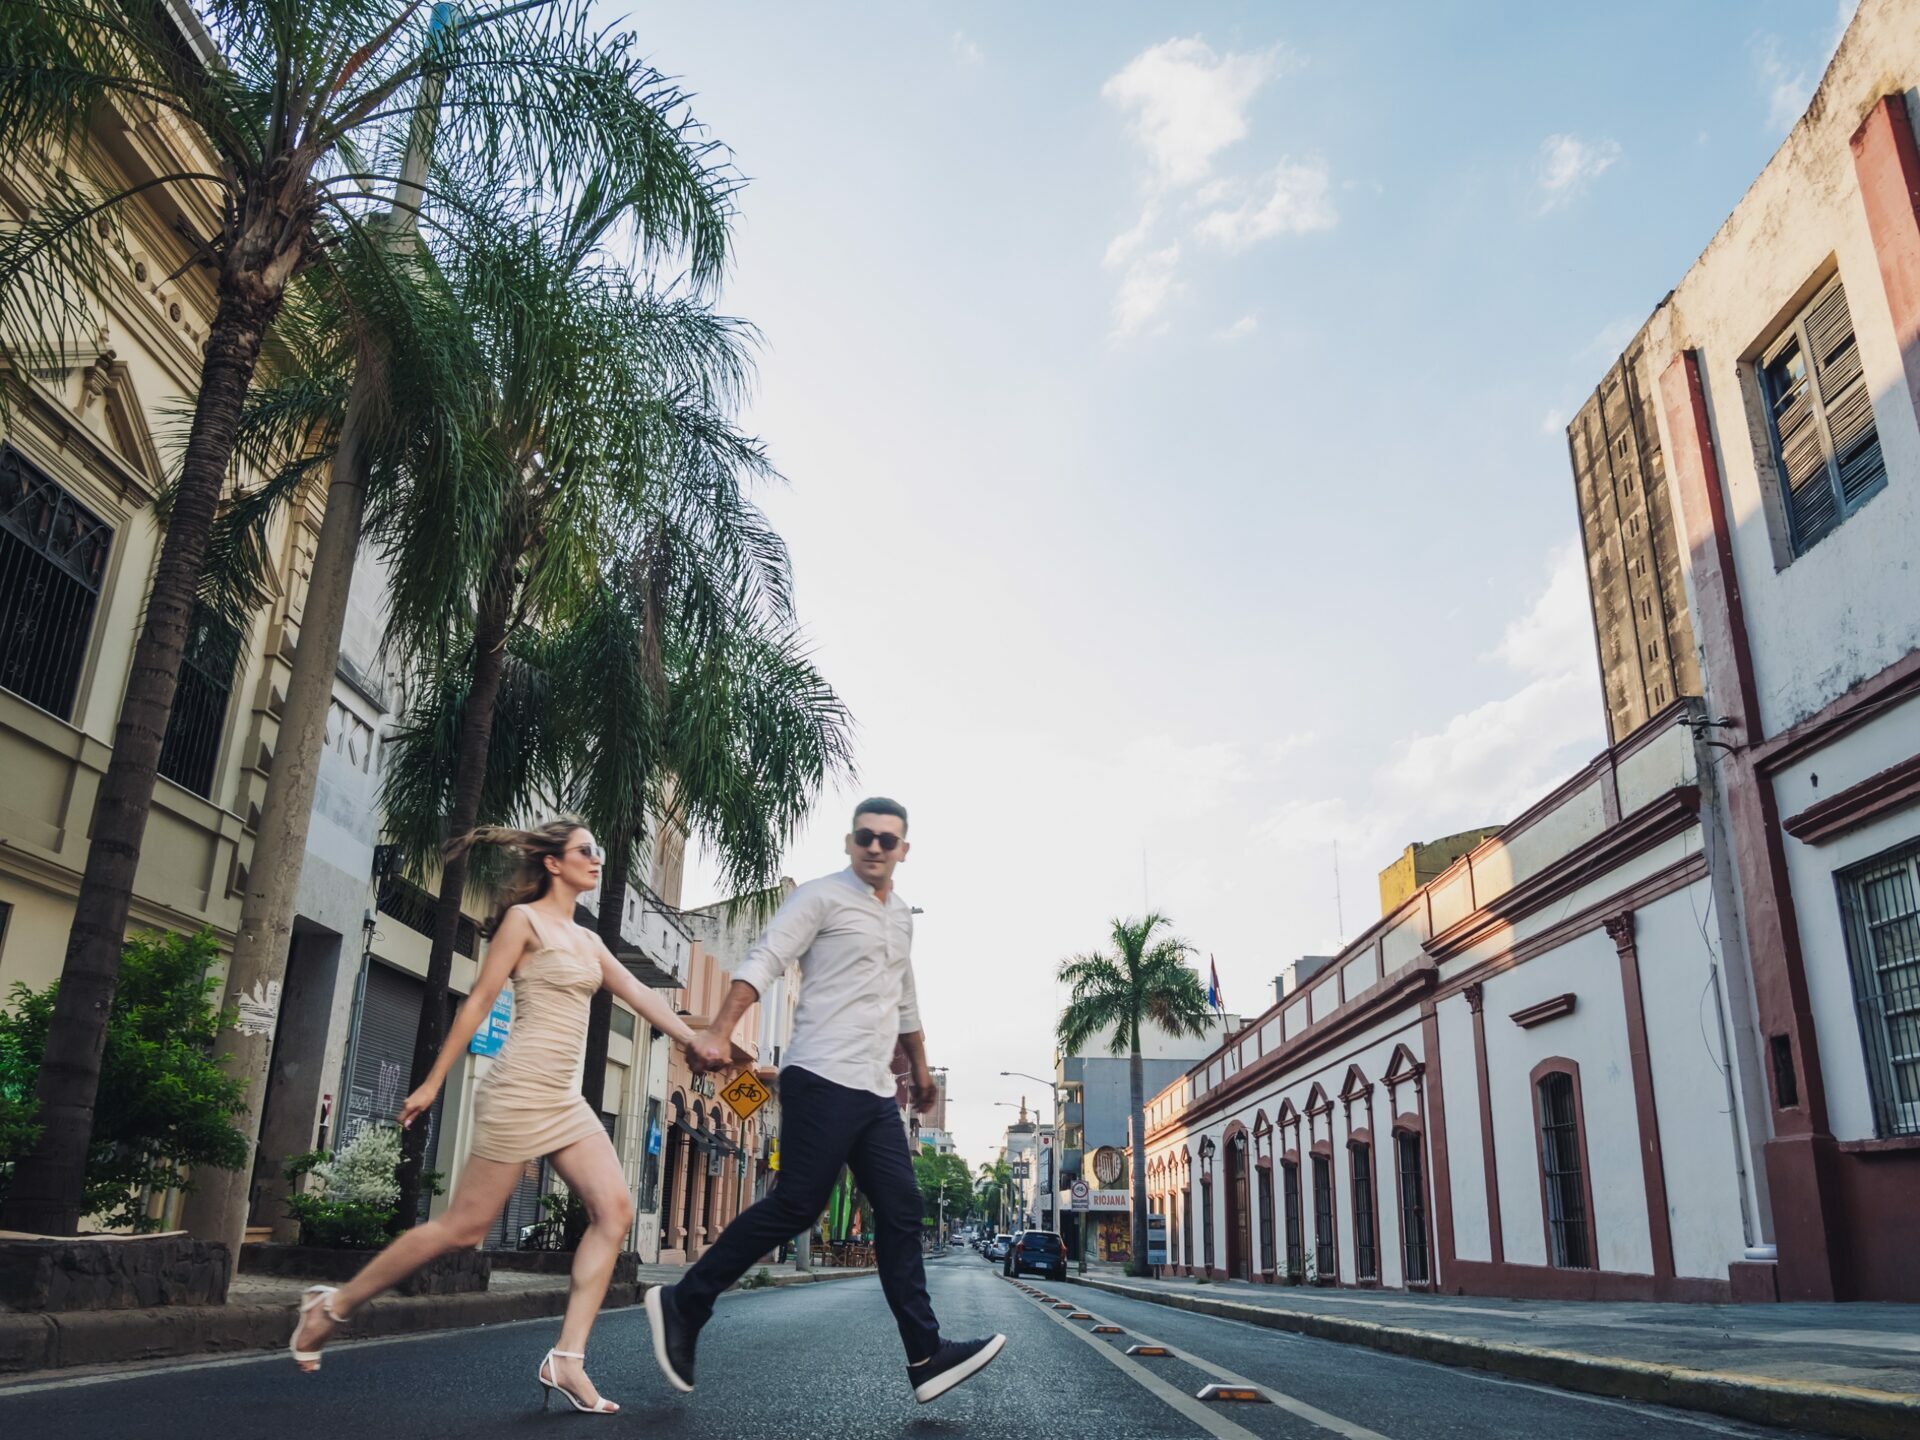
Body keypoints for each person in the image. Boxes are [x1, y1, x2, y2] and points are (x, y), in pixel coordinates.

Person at [287, 820, 703, 1415]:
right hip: (517, 1089)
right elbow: (480, 1000)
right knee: (462, 1229)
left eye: (599, 852)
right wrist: (434, 1080)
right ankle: (331, 1306)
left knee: (613, 1212)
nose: (597, 860)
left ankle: (567, 1359)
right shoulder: (524, 922)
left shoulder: (589, 942)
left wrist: (696, 1042)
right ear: (553, 863)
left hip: (563, 1098)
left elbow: (643, 996)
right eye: (586, 850)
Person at [644, 797, 1006, 1405]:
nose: (875, 847)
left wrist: (920, 1072)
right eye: (865, 836)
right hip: (820, 1075)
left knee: (902, 1209)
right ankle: (685, 1301)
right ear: (849, 842)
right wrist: (719, 1029)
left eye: (887, 840)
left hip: (874, 1092)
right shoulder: (819, 897)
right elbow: (765, 958)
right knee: (797, 1204)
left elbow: (906, 998)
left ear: (903, 850)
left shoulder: (900, 918)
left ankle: (925, 1356)